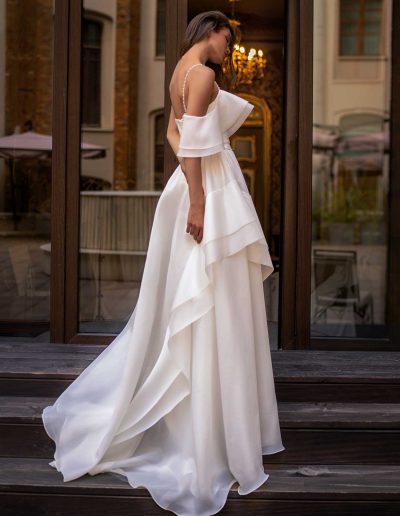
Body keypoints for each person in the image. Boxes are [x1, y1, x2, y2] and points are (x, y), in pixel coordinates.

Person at [42, 10, 285, 516]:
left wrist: (199, 171)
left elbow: (175, 138)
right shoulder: (201, 75)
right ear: (210, 31)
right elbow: (192, 142)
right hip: (208, 192)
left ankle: (211, 417)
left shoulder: (179, 72)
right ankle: (211, 430)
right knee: (216, 300)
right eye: (226, 38)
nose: (228, 48)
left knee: (212, 302)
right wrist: (198, 200)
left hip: (201, 184)